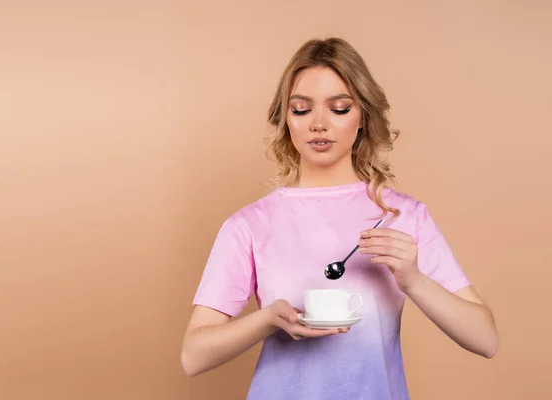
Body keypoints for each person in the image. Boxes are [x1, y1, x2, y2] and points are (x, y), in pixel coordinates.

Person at [181, 37, 499, 399]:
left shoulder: (402, 215)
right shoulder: (249, 225)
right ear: (285, 119)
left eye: (339, 108)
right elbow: (194, 356)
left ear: (362, 115)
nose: (319, 123)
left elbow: (486, 339)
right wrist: (267, 320)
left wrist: (413, 280)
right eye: (301, 109)